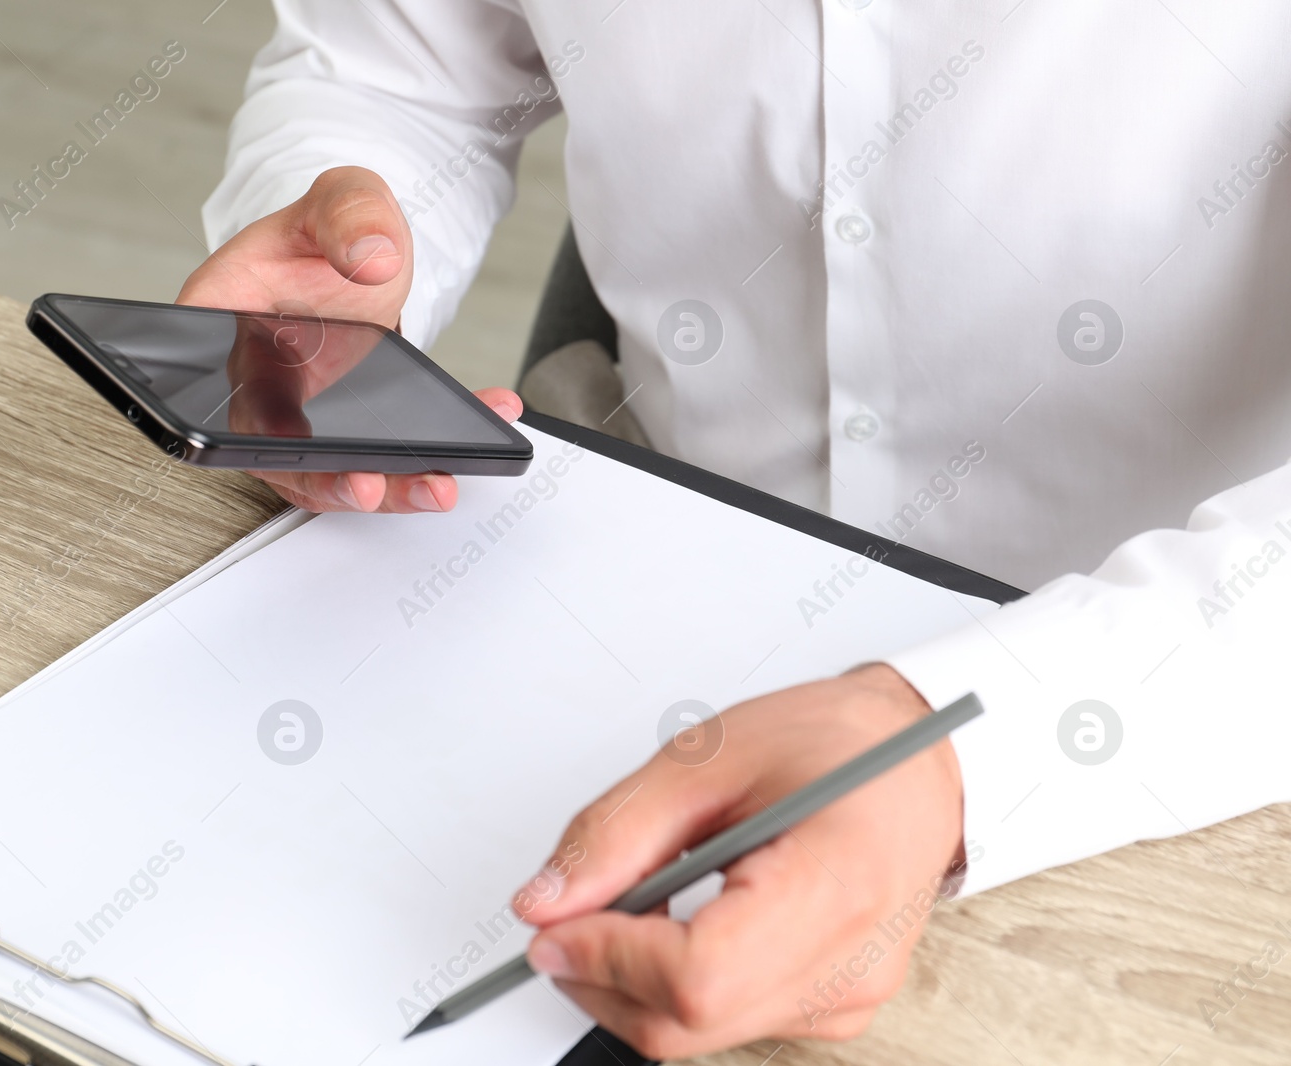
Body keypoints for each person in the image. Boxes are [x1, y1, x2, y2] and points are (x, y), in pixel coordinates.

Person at [179, 2, 1291, 1057]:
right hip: (609, 585)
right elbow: (397, 77)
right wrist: (340, 259)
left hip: (1166, 712)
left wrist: (968, 748)